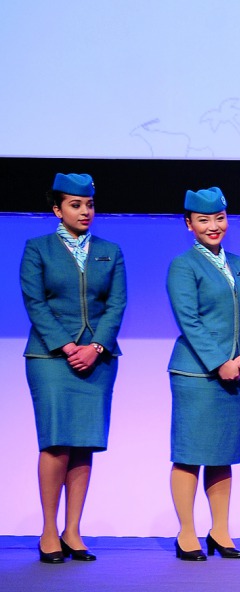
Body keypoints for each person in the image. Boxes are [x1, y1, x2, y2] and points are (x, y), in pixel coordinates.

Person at [21, 173, 126, 564]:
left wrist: (96, 346)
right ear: (57, 209)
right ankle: (49, 530)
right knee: (55, 441)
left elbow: (116, 305)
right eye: (76, 205)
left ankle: (73, 530)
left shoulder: (110, 251)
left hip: (97, 357)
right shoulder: (38, 249)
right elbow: (35, 302)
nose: (85, 211)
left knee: (83, 443)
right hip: (51, 358)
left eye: (90, 204)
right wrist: (68, 346)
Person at [166, 187, 240, 562]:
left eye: (219, 218)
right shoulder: (183, 265)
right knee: (190, 453)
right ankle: (187, 532)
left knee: (222, 454)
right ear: (189, 224)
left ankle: (219, 531)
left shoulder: (238, 262)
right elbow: (188, 320)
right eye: (204, 220)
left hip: (235, 372)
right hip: (197, 374)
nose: (213, 226)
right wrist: (221, 361)